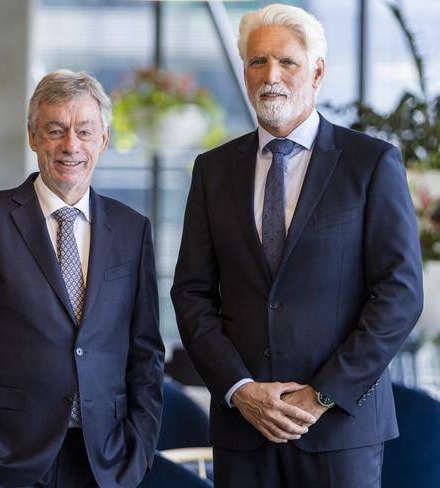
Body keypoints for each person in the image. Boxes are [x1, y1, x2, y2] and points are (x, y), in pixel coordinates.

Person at [171, 4, 423, 487]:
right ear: (245, 72)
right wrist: (240, 389)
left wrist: (322, 395)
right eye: (257, 61)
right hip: (243, 427)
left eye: (287, 61)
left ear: (317, 71)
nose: (272, 76)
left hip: (339, 428)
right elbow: (191, 294)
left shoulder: (370, 164)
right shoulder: (213, 171)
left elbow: (400, 295)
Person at [0, 69, 164, 488]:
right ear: (33, 136)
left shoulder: (133, 230)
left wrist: (140, 447)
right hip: (5, 458)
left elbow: (145, 348)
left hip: (105, 461)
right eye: (55, 130)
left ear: (104, 140)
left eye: (85, 132)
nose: (71, 145)